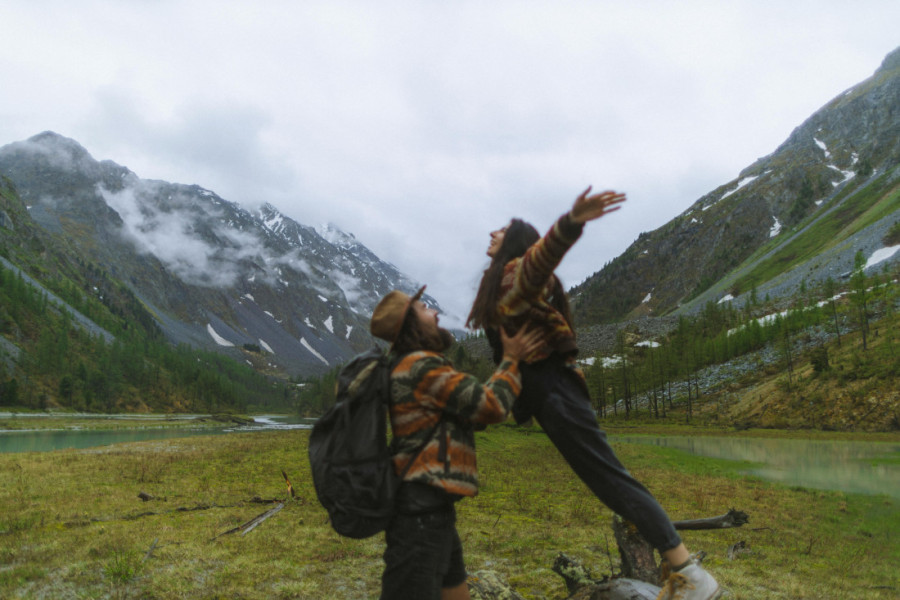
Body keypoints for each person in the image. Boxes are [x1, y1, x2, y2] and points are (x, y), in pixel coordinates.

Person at [466, 187, 723, 600]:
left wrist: (571, 222)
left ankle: (690, 574)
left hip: (556, 393)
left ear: (515, 243)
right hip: (551, 394)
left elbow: (540, 260)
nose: (491, 233)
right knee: (607, 482)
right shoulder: (503, 284)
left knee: (612, 480)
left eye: (501, 229)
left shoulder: (517, 272)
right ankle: (684, 573)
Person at [370, 285, 541, 600]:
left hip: (432, 512)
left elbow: (470, 412)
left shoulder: (414, 365)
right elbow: (490, 406)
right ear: (410, 324)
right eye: (424, 309)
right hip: (420, 515)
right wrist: (512, 360)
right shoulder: (420, 365)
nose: (434, 312)